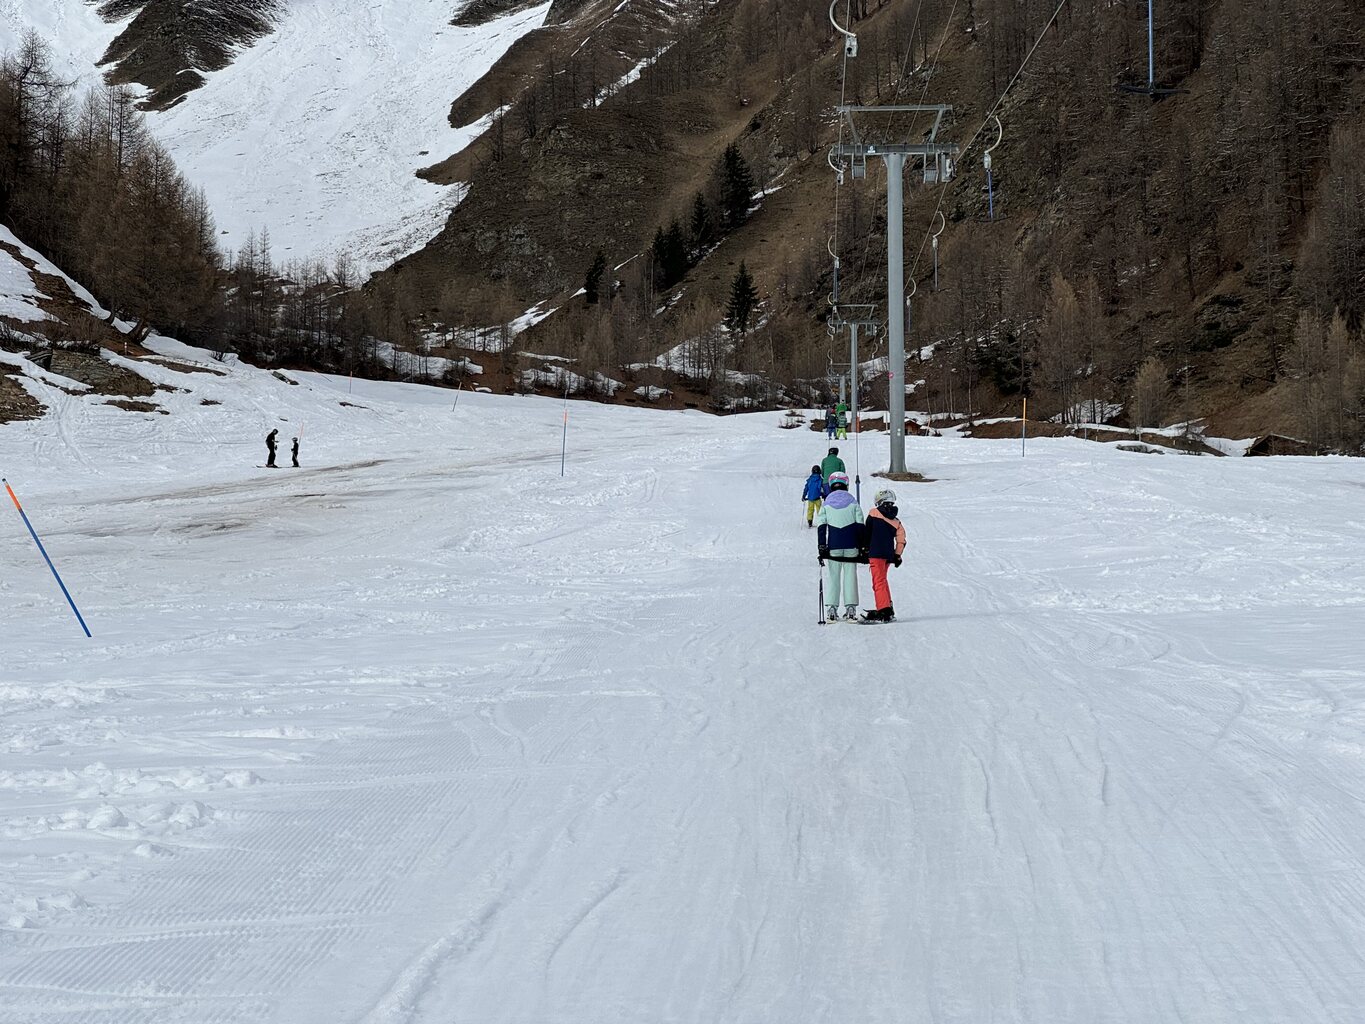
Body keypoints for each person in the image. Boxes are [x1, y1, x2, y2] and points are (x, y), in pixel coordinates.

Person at [815, 471, 865, 621]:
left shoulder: (827, 504)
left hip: (834, 546)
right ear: (847, 485)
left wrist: (822, 546)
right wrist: (863, 546)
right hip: (852, 546)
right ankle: (851, 609)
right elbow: (860, 526)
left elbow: (821, 526)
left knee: (833, 575)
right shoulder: (854, 503)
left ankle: (832, 608)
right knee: (850, 575)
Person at [863, 488, 906, 622]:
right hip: (888, 555)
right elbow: (901, 539)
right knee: (882, 579)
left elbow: (867, 533)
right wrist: (897, 555)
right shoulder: (896, 521)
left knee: (878, 582)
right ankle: (887, 606)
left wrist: (864, 549)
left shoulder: (873, 513)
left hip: (875, 553)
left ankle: (884, 611)